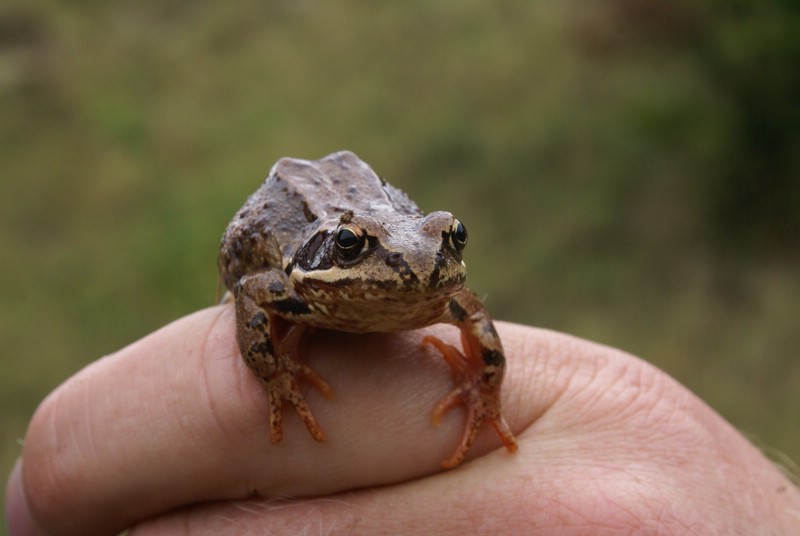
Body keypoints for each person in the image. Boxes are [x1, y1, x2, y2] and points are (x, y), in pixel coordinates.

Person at [5, 305, 799, 535]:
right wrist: (275, 378)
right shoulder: (297, 282)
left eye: (446, 245)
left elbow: (479, 332)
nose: (420, 274)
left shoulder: (436, 285)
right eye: (365, 251)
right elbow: (255, 296)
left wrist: (485, 397)